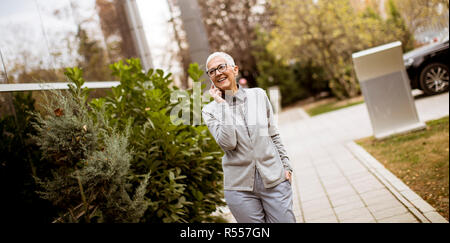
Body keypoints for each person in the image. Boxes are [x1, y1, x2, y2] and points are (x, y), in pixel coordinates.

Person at [201, 52, 296, 223]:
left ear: (235, 70)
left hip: (274, 178)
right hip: (239, 189)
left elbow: (272, 133)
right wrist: (223, 106)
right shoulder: (210, 110)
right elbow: (228, 143)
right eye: (212, 71)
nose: (218, 73)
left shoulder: (258, 95)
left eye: (222, 67)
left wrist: (286, 164)